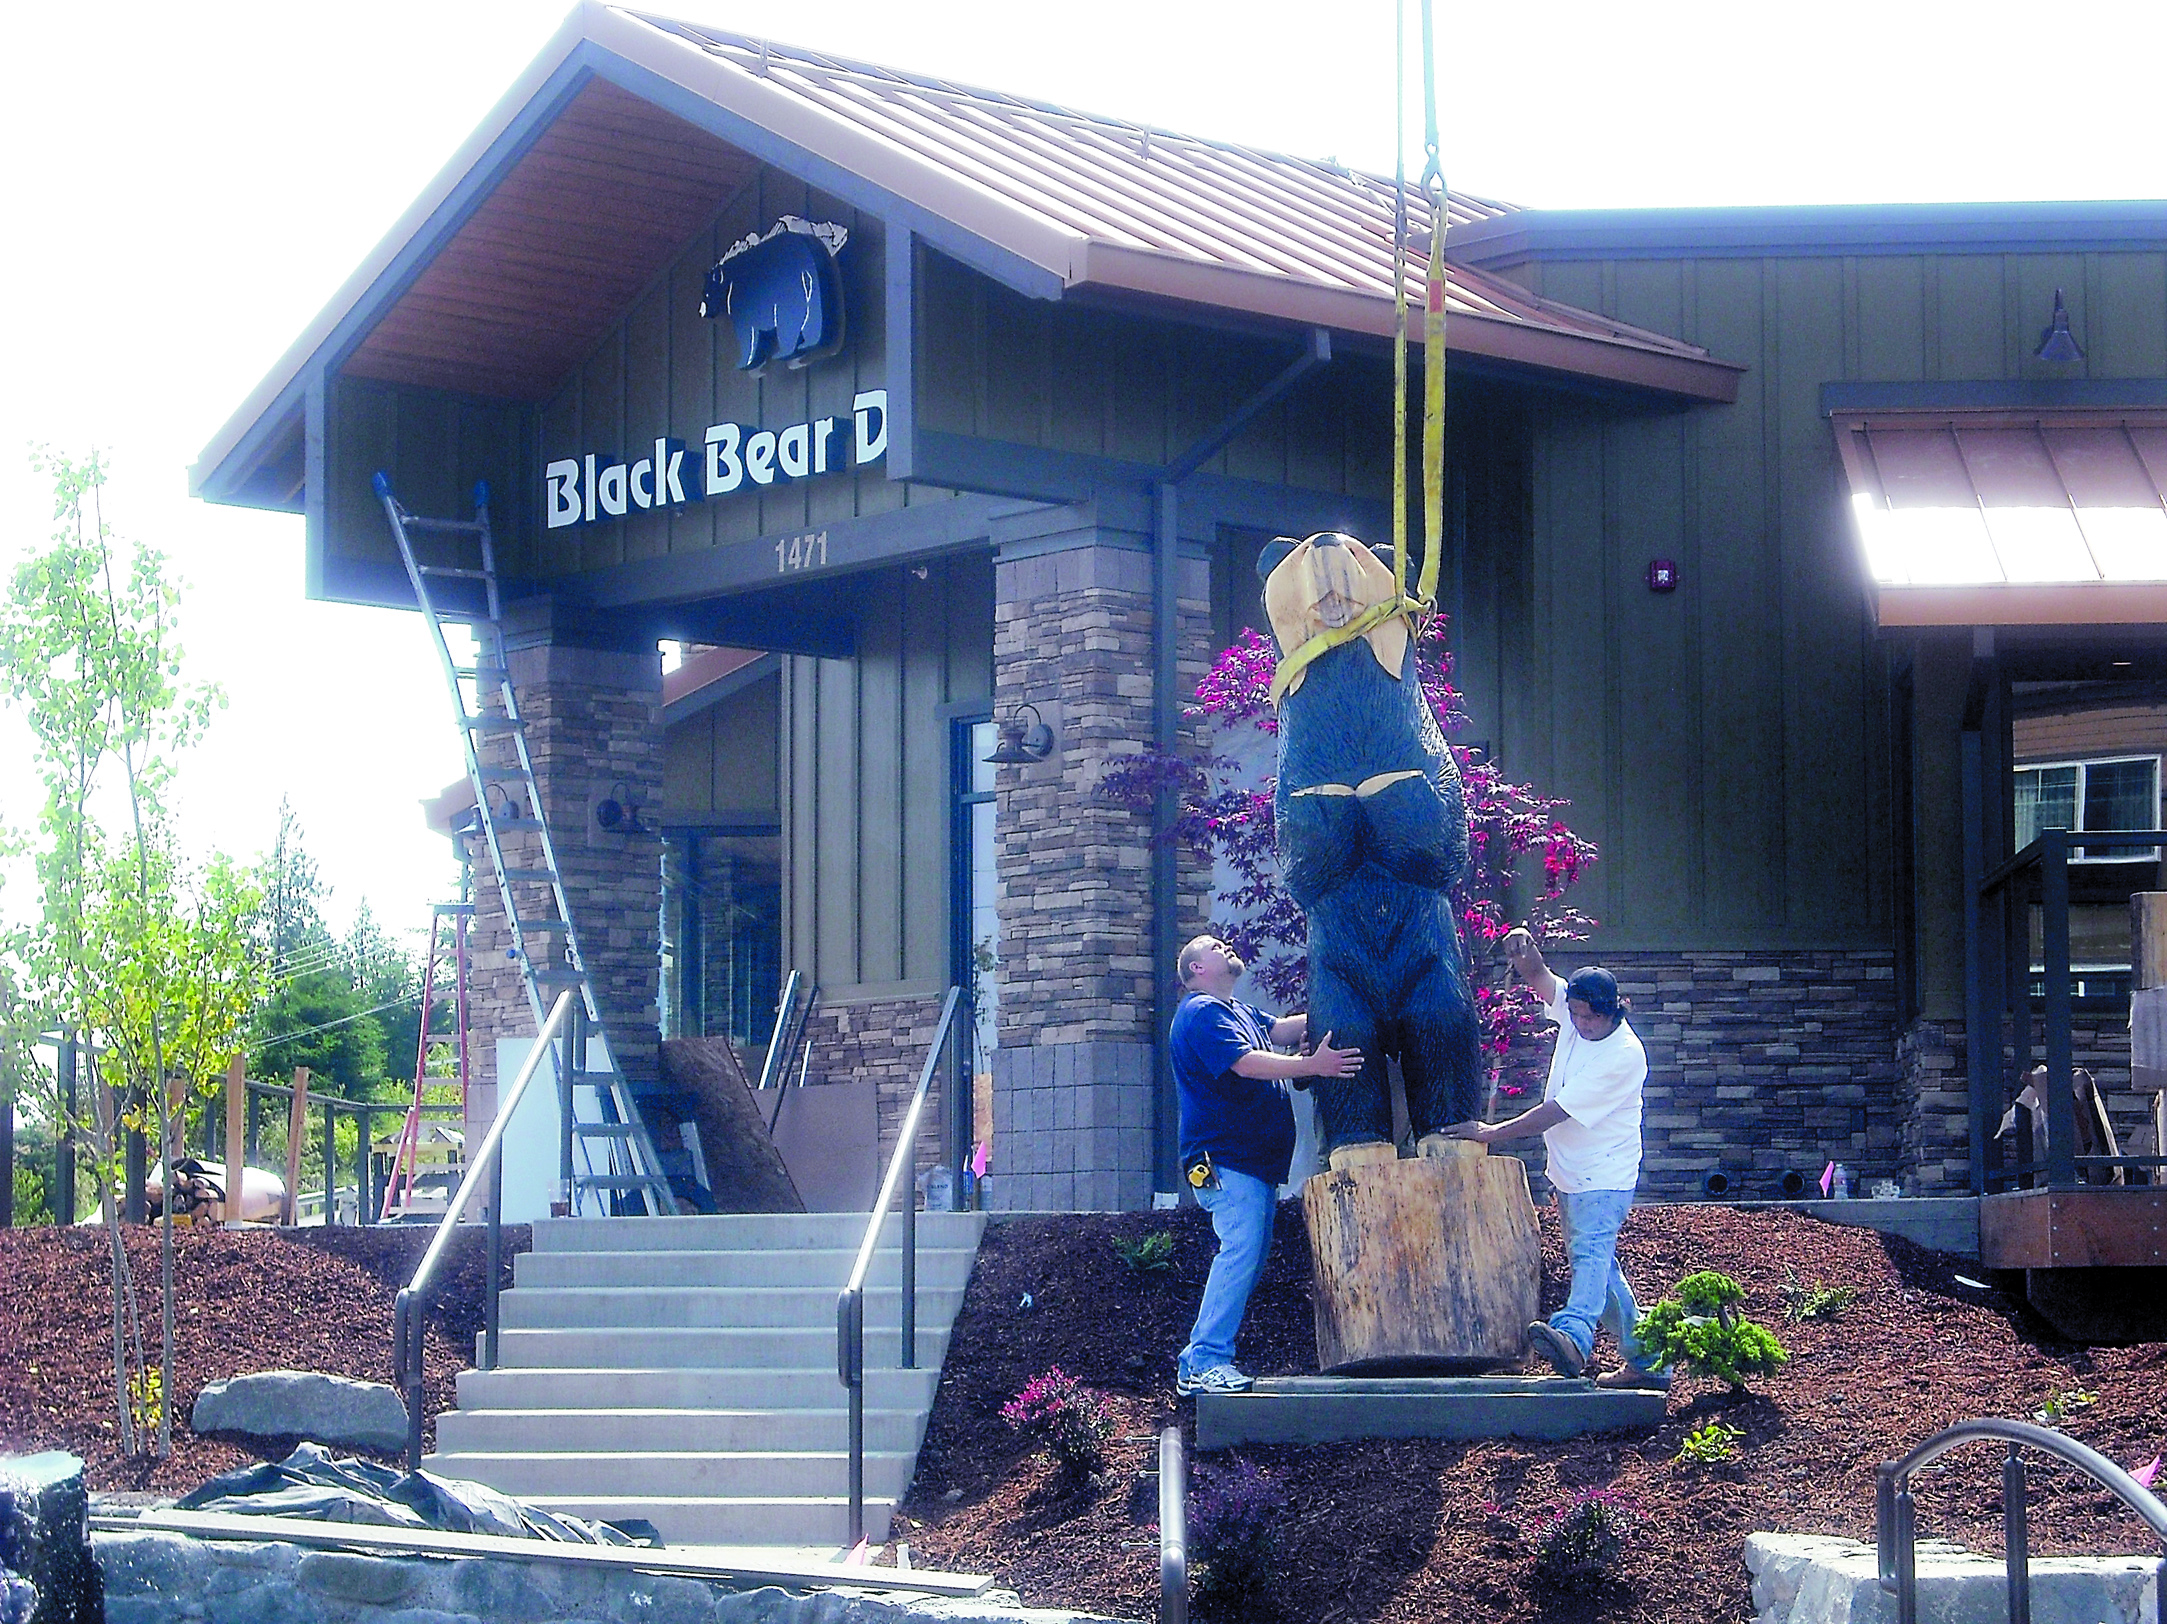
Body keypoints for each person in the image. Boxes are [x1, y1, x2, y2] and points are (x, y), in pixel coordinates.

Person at [1445, 928, 1667, 1390]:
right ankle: (1650, 1363)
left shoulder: (1624, 1056)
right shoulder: (1573, 1009)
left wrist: (1493, 1132)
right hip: (1569, 1174)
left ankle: (1572, 1336)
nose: (1581, 1024)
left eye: (1589, 1019)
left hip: (1604, 1176)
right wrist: (1523, 950)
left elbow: (1556, 1111)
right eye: (1576, 1015)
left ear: (1612, 1011)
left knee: (1589, 1256)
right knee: (1604, 1277)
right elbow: (1542, 977)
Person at [1170, 934, 1362, 1396]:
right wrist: (1313, 1066)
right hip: (1223, 1161)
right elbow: (1247, 1064)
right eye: (1215, 946)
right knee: (1239, 1252)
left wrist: (1343, 1000)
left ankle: (1205, 1358)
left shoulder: (1238, 1012)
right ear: (1197, 969)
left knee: (1247, 1257)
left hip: (1251, 1163)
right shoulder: (1201, 1012)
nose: (1226, 946)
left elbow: (1282, 1031)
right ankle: (1204, 1362)